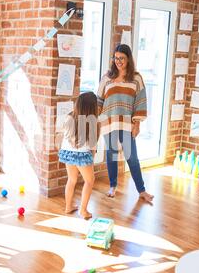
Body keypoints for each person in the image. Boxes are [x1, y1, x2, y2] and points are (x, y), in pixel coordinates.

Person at [97, 44, 154, 202]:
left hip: (128, 124)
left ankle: (142, 190)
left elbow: (141, 102)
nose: (118, 61)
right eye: (116, 58)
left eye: (121, 58)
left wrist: (137, 124)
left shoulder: (136, 78)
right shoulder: (107, 77)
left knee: (132, 157)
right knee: (111, 155)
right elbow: (99, 100)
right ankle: (112, 186)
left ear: (128, 58)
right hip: (109, 123)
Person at [58, 92, 99, 219]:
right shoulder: (92, 121)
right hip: (82, 154)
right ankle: (83, 210)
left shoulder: (69, 117)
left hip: (67, 152)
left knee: (72, 179)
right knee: (89, 180)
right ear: (92, 107)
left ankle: (68, 207)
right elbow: (92, 145)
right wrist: (91, 159)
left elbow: (62, 135)